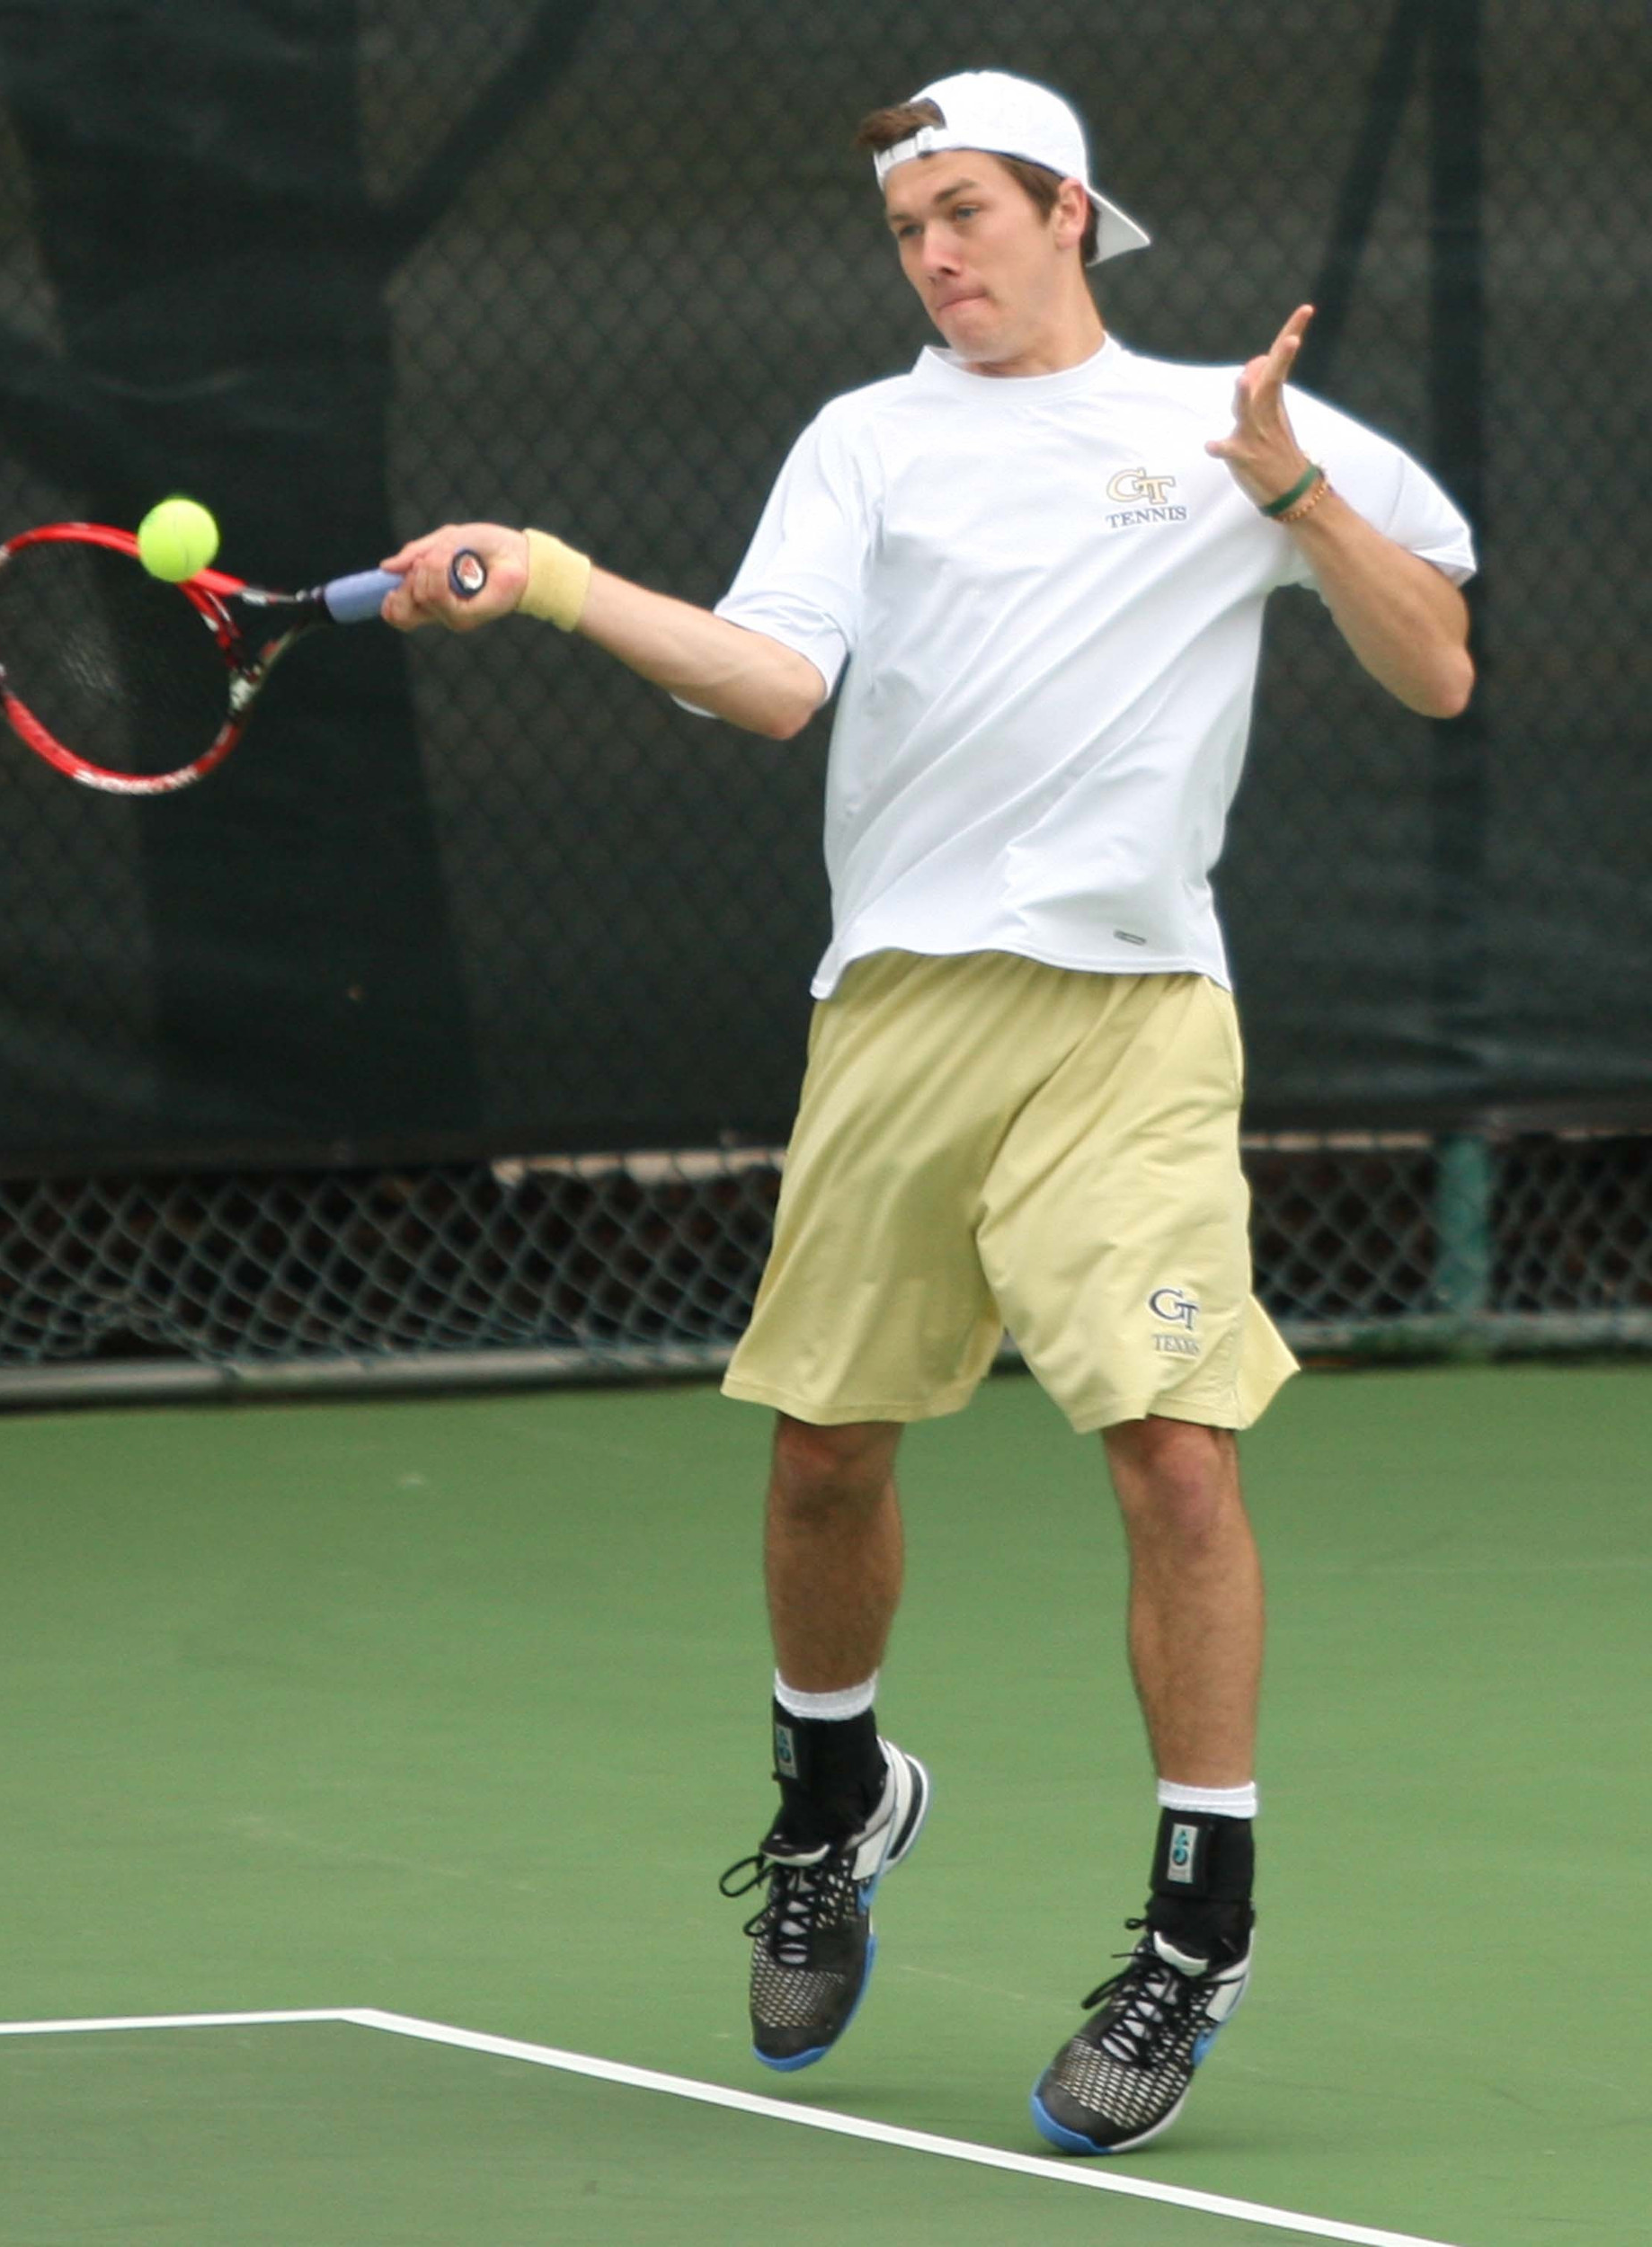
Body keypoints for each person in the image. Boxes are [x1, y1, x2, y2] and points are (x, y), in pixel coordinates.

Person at [380, 68, 1476, 2155]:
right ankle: (833, 1791)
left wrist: (1285, 495)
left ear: (1072, 210)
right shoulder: (863, 440)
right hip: (893, 1006)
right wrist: (545, 577)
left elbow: (1434, 666)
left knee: (1172, 1455)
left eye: (966, 209)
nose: (935, 254)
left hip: (1137, 1017)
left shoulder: (1236, 422)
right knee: (824, 1457)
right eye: (905, 228)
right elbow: (773, 682)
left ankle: (1197, 1926)